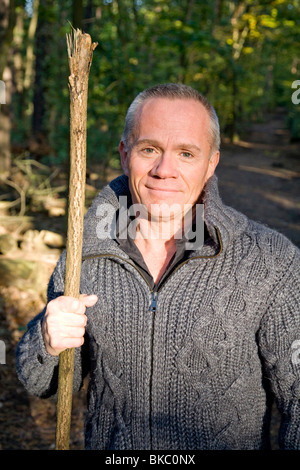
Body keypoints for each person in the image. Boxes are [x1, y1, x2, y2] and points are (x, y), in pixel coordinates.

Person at [16, 83, 300, 450]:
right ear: (124, 154)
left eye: (186, 153)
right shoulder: (84, 255)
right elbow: (40, 381)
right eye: (149, 149)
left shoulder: (270, 261)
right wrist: (47, 341)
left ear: (211, 162)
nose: (164, 170)